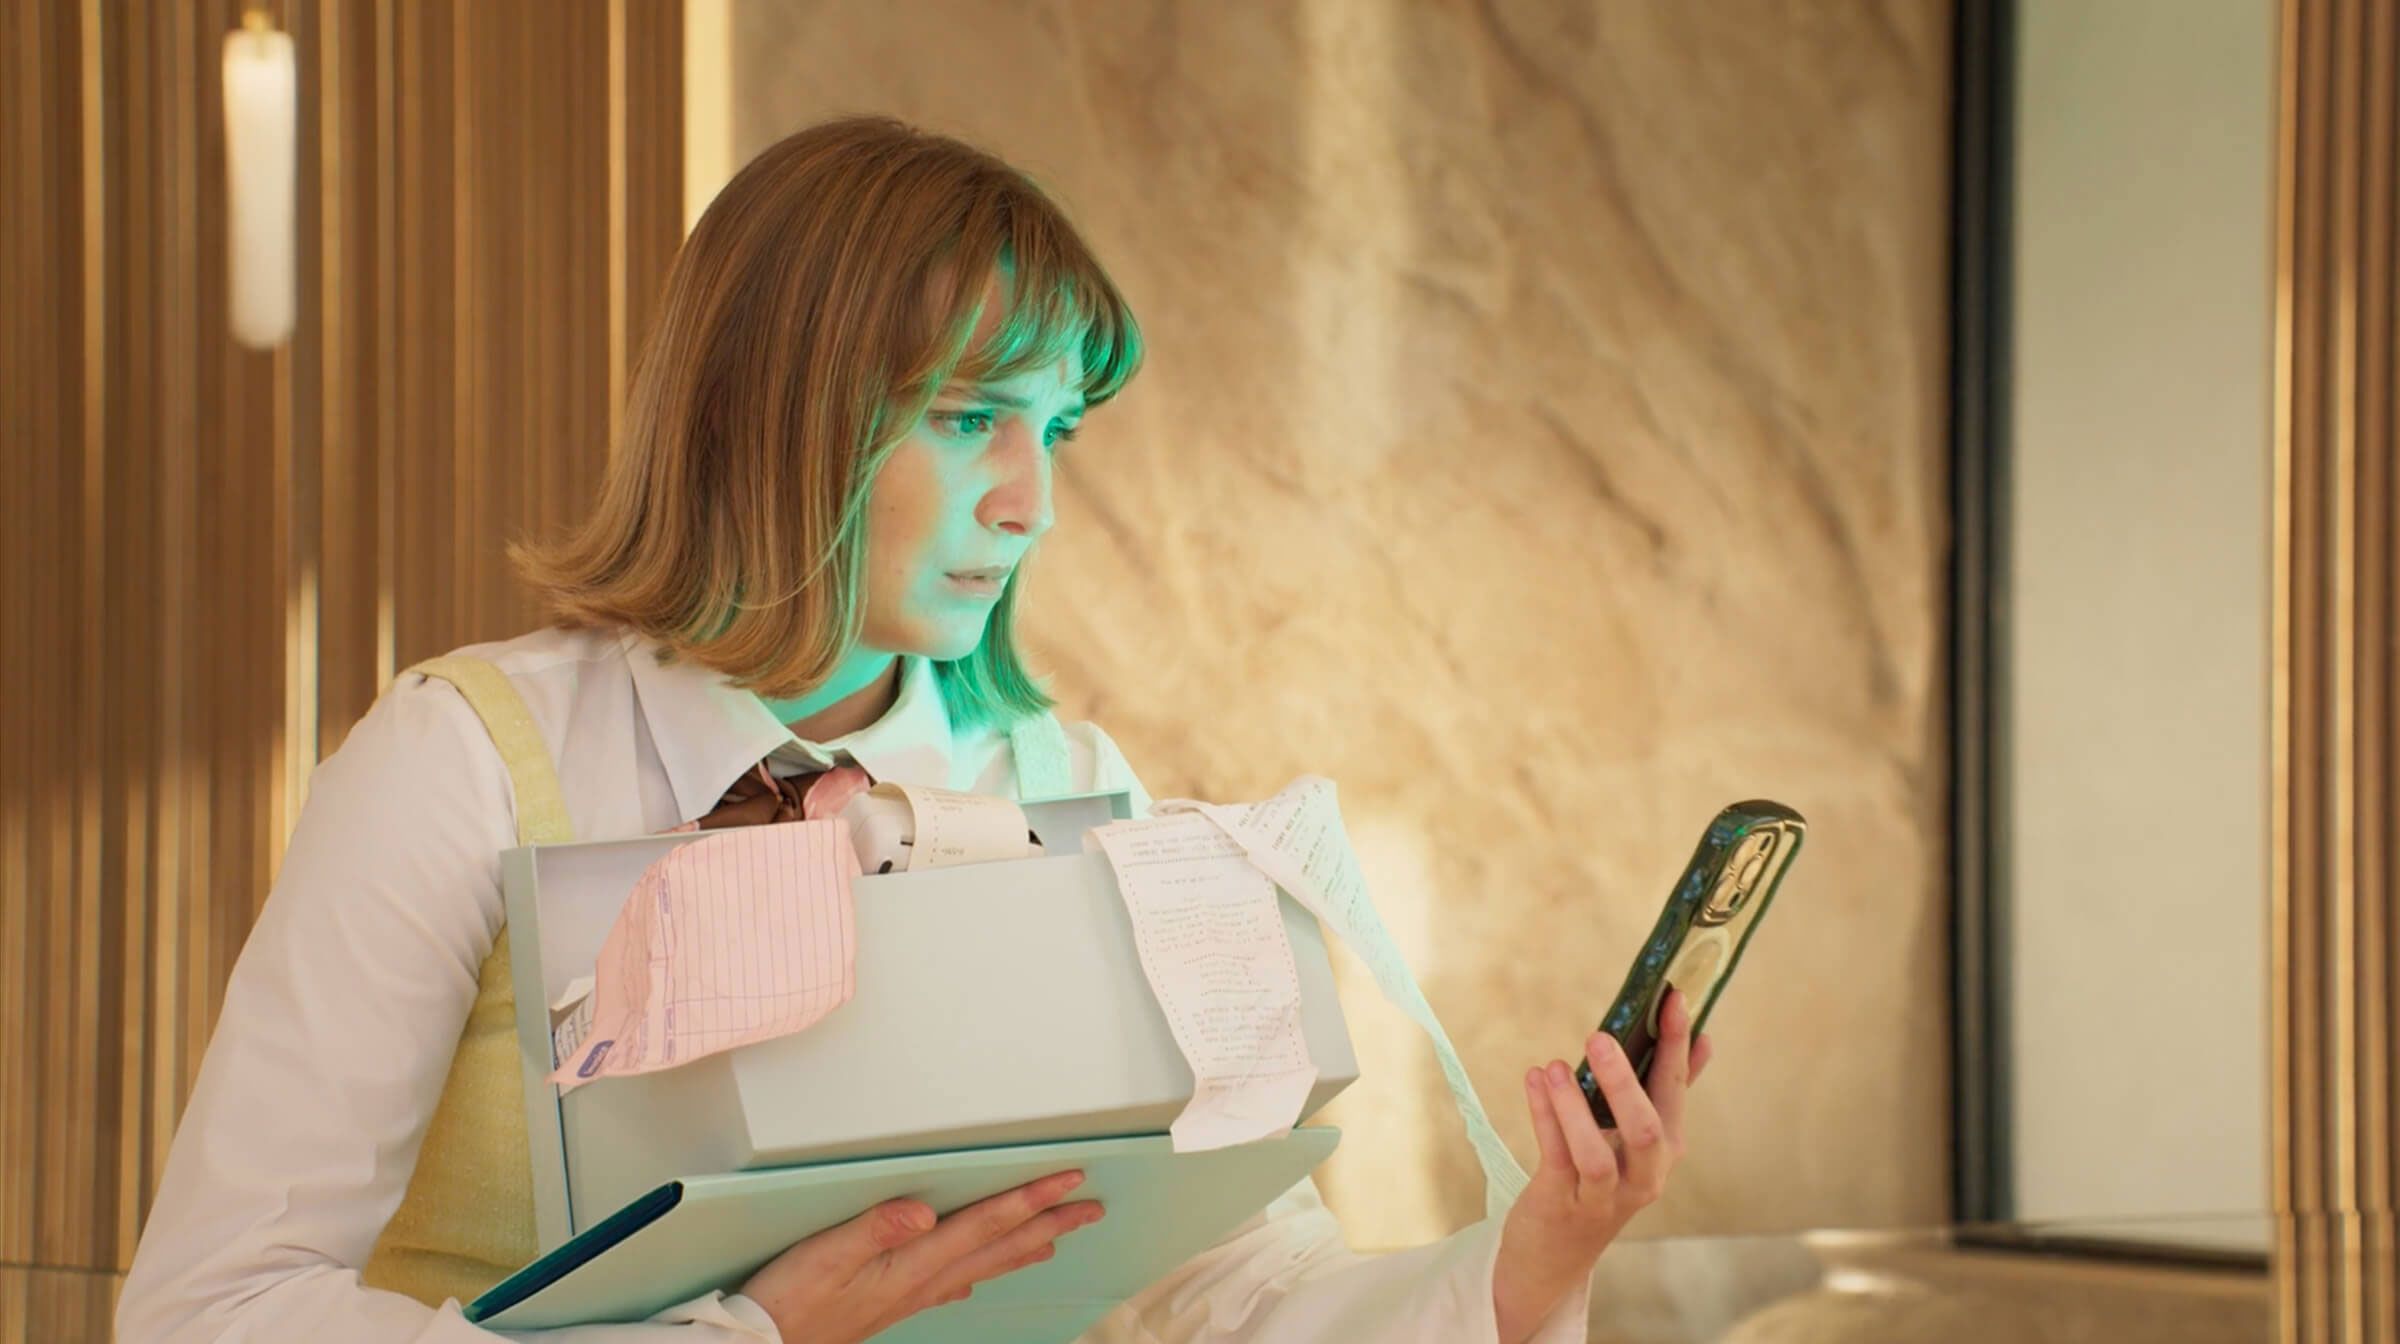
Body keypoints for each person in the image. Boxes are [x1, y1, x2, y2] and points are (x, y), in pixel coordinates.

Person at [115, 116, 1714, 1344]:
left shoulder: (1075, 789)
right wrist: (745, 1336)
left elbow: (1235, 1304)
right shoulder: (457, 763)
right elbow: (207, 1313)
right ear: (778, 413)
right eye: (968, 421)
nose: (1028, 504)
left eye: (1054, 429)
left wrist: (1539, 1255)